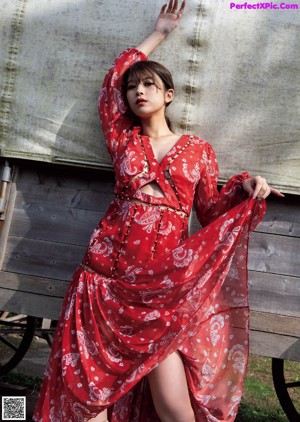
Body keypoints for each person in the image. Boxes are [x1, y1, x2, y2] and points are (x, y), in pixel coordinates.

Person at [33, 1, 284, 421]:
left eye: (148, 85)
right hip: (103, 282)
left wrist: (244, 187)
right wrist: (159, 33)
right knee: (89, 400)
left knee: (175, 409)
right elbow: (113, 79)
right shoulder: (123, 140)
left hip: (161, 291)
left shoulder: (199, 150)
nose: (138, 91)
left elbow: (209, 209)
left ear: (168, 96)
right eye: (133, 88)